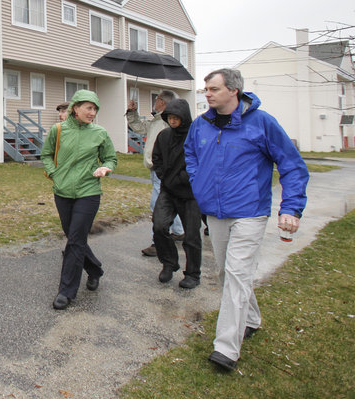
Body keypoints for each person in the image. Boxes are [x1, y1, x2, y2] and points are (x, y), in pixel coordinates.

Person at [184, 68, 309, 372]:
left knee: (237, 274)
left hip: (250, 211)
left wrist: (290, 207)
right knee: (229, 274)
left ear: (233, 91)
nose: (207, 94)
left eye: (213, 89)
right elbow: (191, 154)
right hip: (214, 212)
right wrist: (198, 180)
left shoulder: (262, 123)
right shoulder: (200, 125)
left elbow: (292, 166)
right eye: (205, 89)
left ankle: (226, 348)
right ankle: (251, 319)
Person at [41, 90, 117, 310]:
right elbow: (46, 154)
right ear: (75, 108)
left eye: (95, 109)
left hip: (88, 191)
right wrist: (53, 173)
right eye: (89, 108)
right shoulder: (58, 130)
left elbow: (110, 157)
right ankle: (95, 269)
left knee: (74, 240)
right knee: (74, 237)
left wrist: (106, 167)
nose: (92, 113)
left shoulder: (100, 133)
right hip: (62, 191)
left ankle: (66, 291)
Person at [126, 90, 184, 256]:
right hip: (156, 169)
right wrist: (132, 112)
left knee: (157, 205)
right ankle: (179, 231)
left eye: (157, 99)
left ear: (163, 103)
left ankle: (158, 243)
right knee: (170, 201)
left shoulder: (169, 121)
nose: (155, 101)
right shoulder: (156, 120)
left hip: (163, 170)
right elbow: (139, 127)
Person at [151, 98, 202, 289]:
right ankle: (169, 263)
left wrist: (182, 178)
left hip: (190, 194)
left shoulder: (195, 136)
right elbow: (156, 157)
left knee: (191, 236)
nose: (172, 121)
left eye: (176, 118)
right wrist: (163, 174)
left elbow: (200, 162)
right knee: (159, 226)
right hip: (168, 191)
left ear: (184, 117)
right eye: (169, 117)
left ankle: (193, 274)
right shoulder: (164, 136)